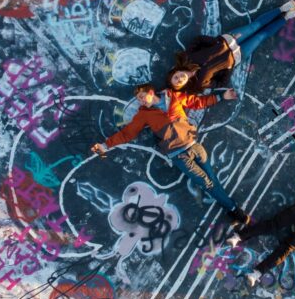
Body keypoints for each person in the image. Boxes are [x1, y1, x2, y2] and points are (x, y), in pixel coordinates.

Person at [91, 84, 249, 224]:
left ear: (151, 92)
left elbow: (197, 102)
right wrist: (104, 145)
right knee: (206, 183)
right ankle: (235, 210)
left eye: (142, 96)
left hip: (194, 146)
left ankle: (232, 208)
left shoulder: (174, 97)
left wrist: (221, 96)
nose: (141, 101)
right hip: (178, 155)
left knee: (212, 179)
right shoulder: (144, 114)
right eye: (138, 99)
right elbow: (127, 133)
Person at [167, 0, 295, 93]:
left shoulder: (187, 57)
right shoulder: (200, 83)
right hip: (238, 55)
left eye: (176, 77)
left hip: (229, 40)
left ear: (175, 71)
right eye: (178, 82)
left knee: (255, 26)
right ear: (183, 86)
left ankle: (282, 9)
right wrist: (229, 67)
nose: (179, 78)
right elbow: (221, 83)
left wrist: (217, 42)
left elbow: (198, 40)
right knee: (261, 36)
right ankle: (286, 18)